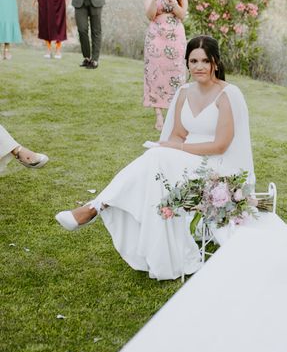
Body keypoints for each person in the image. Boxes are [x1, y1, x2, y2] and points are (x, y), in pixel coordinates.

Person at [55, 36, 255, 280]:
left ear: (215, 62)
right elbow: (179, 134)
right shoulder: (184, 92)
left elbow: (221, 145)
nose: (199, 66)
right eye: (193, 61)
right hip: (183, 163)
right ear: (186, 63)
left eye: (205, 60)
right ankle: (97, 207)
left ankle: (95, 207)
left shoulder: (228, 94)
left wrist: (176, 150)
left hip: (214, 166)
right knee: (156, 160)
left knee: (156, 157)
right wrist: (174, 148)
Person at [143, 0, 188, 131]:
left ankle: (176, 114)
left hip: (175, 37)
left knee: (176, 74)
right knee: (155, 74)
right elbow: (150, 15)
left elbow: (182, 14)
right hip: (156, 38)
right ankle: (159, 116)